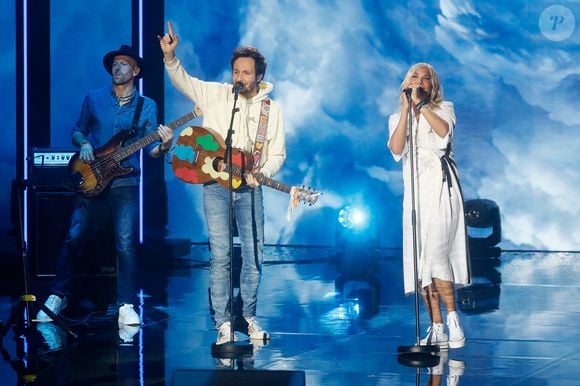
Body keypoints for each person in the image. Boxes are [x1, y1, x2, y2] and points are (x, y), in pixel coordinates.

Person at [158, 21, 286, 345]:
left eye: (246, 72)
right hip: (216, 186)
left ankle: (248, 316)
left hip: (250, 188)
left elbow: (278, 153)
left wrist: (262, 172)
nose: (239, 77)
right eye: (236, 71)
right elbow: (183, 81)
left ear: (258, 76)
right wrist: (171, 58)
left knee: (254, 256)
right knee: (221, 255)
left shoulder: (272, 110)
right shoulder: (216, 94)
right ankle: (223, 323)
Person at [36, 45, 174, 333]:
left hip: (124, 182)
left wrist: (164, 145)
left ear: (136, 71)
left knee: (124, 243)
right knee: (75, 236)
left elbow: (150, 150)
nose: (118, 67)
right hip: (90, 177)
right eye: (115, 63)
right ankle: (57, 296)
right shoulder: (93, 98)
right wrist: (84, 143)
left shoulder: (146, 106)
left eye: (124, 64)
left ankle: (125, 304)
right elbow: (77, 129)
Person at [387, 63, 470, 349]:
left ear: (432, 86)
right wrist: (405, 111)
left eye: (426, 79)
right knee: (421, 262)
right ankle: (437, 328)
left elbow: (444, 132)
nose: (420, 82)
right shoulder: (397, 118)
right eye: (415, 77)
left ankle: (453, 318)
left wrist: (421, 106)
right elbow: (397, 149)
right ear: (405, 83)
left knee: (436, 254)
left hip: (443, 190)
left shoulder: (444, 108)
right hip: (417, 193)